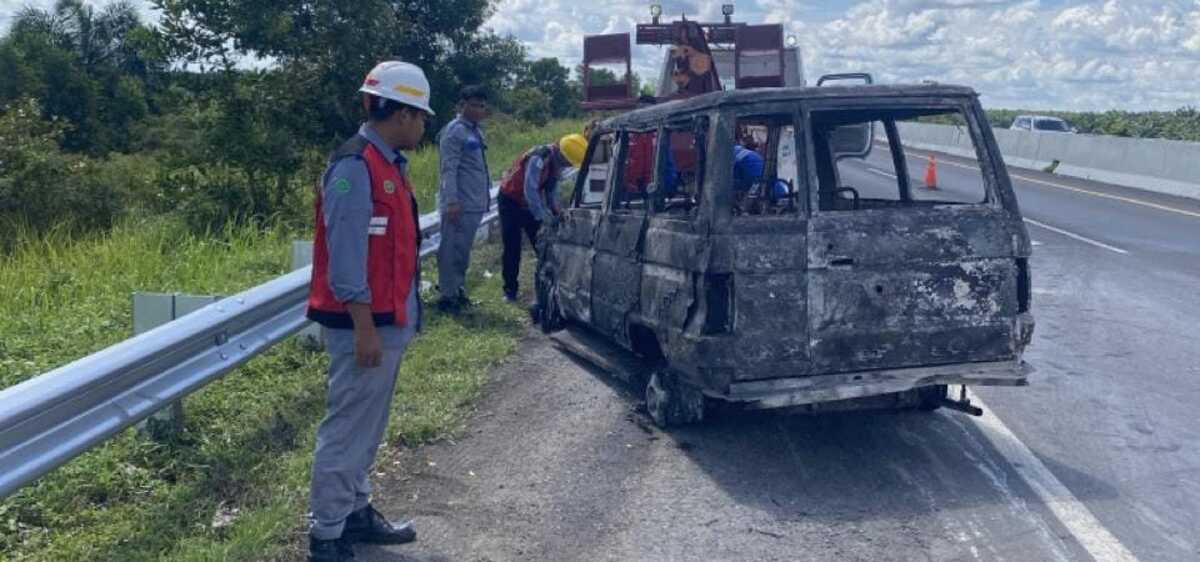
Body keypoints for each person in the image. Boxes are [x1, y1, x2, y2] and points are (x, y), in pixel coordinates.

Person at [304, 60, 433, 562]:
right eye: (420, 116)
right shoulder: (354, 167)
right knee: (347, 426)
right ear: (399, 113)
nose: (423, 126)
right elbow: (346, 253)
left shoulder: (387, 165)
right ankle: (327, 534)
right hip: (364, 324)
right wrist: (363, 328)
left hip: (384, 321)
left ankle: (355, 510)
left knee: (368, 426)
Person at [496, 134, 587, 301]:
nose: (566, 166)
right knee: (512, 246)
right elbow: (529, 190)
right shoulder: (539, 157)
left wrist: (556, 210)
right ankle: (510, 290)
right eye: (566, 163)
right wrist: (545, 217)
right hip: (510, 201)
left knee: (543, 245)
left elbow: (551, 189)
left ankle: (549, 286)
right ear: (560, 154)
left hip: (528, 203)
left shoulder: (555, 163)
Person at [435, 85, 491, 313]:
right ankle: (448, 298)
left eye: (482, 105)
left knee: (462, 252)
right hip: (459, 204)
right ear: (462, 105)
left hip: (473, 202)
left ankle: (457, 291)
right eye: (475, 105)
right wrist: (452, 201)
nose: (479, 110)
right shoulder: (455, 131)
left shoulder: (475, 130)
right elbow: (448, 168)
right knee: (451, 251)